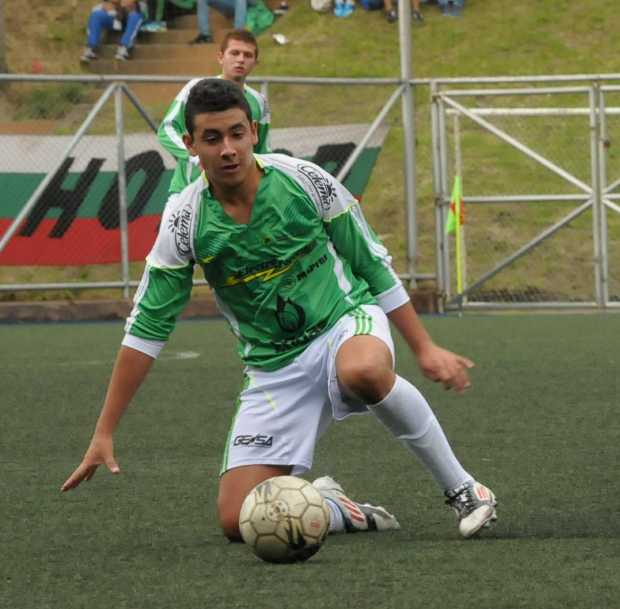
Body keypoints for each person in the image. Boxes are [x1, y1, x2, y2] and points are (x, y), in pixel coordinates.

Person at [61, 78, 498, 541]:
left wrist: (424, 347)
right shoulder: (184, 221)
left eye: (236, 133)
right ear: (190, 145)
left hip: (343, 321)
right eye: (212, 138)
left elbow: (371, 262)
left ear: (253, 131)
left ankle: (464, 488)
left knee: (364, 371)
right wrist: (104, 430)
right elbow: (148, 326)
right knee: (239, 519)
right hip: (273, 367)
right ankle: (334, 508)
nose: (227, 149)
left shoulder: (304, 180)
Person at [158, 29, 270, 195]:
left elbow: (261, 149)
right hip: (188, 190)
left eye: (247, 55)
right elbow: (166, 129)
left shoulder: (259, 102)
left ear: (255, 62)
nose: (240, 59)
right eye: (235, 53)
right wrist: (196, 157)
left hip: (236, 196)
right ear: (220, 57)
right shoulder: (195, 88)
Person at [80, 0, 145, 63]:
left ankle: (123, 49)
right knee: (96, 15)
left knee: (134, 16)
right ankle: (90, 48)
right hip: (116, 18)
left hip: (134, 15)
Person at [190, 0, 257, 44]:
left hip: (243, 6)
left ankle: (238, 34)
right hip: (227, 6)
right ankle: (205, 35)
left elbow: (254, 2)